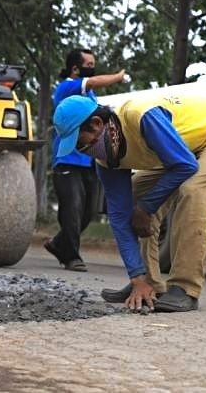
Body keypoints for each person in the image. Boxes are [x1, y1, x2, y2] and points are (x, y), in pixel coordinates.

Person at [53, 94, 206, 312]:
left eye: (79, 141)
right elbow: (120, 217)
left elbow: (185, 166)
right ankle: (147, 283)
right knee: (134, 198)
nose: (82, 150)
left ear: (96, 124)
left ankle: (184, 287)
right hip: (184, 148)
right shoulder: (106, 160)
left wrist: (146, 208)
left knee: (193, 192)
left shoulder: (141, 117)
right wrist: (136, 276)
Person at [44, 49, 127, 272]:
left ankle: (58, 243)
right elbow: (95, 81)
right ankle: (71, 256)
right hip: (67, 160)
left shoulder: (90, 98)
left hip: (88, 160)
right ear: (75, 69)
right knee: (72, 208)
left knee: (88, 211)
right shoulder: (67, 87)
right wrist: (118, 77)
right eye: (89, 63)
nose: (93, 66)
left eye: (93, 63)